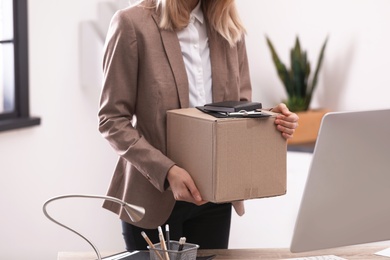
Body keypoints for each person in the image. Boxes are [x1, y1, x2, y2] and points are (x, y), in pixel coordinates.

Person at [98, 0, 299, 251]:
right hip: (153, 198)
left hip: (215, 198)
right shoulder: (131, 24)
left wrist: (273, 118)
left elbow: (240, 109)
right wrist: (168, 171)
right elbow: (111, 120)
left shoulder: (229, 28)